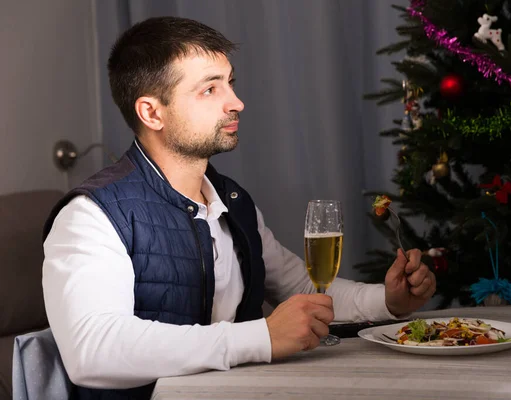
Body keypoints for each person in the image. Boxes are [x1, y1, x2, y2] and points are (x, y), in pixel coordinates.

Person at [41, 16, 436, 400]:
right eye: (210, 89)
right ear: (152, 112)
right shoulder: (91, 215)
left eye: (229, 83)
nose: (237, 102)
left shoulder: (231, 199)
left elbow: (298, 287)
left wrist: (387, 300)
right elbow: (91, 351)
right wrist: (261, 337)